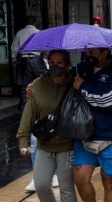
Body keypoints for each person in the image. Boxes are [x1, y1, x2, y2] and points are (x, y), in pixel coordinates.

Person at [72, 48, 112, 202]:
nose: (89, 55)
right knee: (80, 177)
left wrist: (83, 89)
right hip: (85, 134)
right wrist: (34, 87)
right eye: (88, 51)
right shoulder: (81, 69)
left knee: (109, 181)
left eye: (93, 51)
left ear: (104, 52)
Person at [16, 50, 76, 202]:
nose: (55, 66)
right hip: (45, 144)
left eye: (60, 63)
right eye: (52, 62)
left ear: (67, 65)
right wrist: (23, 140)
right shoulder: (36, 85)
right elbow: (28, 114)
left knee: (66, 188)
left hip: (68, 145)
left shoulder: (75, 83)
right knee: (41, 185)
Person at [20, 52, 59, 192]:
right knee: (35, 140)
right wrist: (27, 101)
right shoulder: (34, 63)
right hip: (41, 107)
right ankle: (37, 176)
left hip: (59, 110)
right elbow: (27, 84)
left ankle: (55, 174)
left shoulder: (67, 70)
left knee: (57, 142)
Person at [11, 15, 40, 111]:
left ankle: (24, 104)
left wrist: (14, 59)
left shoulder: (20, 33)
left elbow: (14, 48)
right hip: (36, 58)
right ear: (35, 23)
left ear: (26, 23)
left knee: (25, 82)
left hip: (24, 59)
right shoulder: (38, 33)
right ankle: (36, 102)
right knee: (37, 81)